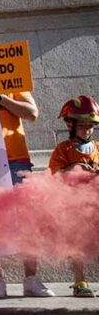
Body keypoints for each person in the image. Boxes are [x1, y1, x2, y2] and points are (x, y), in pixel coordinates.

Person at [0, 35, 54, 298]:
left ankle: (32, 279)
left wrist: (1, 97)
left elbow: (32, 113)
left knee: (27, 221)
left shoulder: (13, 83)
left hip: (16, 160)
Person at [49, 95, 99, 297]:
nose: (87, 130)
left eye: (90, 126)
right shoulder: (63, 149)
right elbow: (54, 174)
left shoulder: (97, 147)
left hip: (95, 202)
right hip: (73, 204)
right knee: (77, 243)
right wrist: (73, 168)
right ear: (70, 125)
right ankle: (79, 280)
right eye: (82, 126)